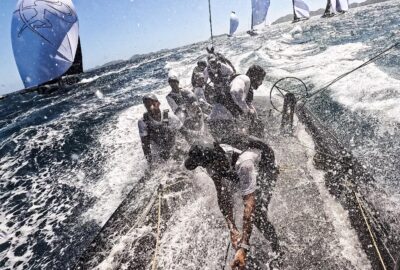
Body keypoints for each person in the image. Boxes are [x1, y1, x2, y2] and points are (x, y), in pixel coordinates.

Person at [184, 135, 281, 270]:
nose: (210, 169)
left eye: (211, 165)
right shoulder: (212, 161)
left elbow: (249, 207)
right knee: (234, 194)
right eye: (205, 166)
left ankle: (278, 250)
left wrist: (243, 248)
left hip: (265, 166)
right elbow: (223, 195)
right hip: (239, 165)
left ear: (218, 159)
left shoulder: (244, 164)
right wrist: (232, 228)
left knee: (257, 214)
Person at [208, 65, 266, 140]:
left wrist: (255, 118)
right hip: (223, 122)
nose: (261, 83)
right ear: (255, 77)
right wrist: (247, 110)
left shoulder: (246, 87)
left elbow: (249, 106)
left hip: (215, 122)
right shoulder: (244, 78)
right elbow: (235, 91)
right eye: (261, 79)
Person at [138, 93, 187, 163]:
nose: (151, 107)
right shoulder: (143, 122)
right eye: (147, 106)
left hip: (174, 147)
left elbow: (184, 132)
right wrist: (150, 162)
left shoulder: (170, 117)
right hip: (158, 152)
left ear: (158, 103)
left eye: (152, 104)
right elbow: (145, 145)